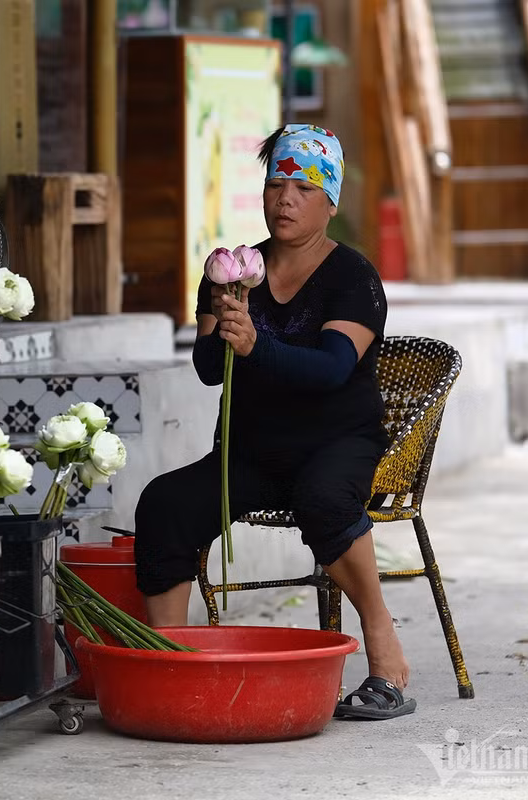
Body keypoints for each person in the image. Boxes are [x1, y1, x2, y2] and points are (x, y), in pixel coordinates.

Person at [133, 123, 415, 720]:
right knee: (164, 504)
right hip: (253, 452)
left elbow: (332, 369)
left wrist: (256, 346)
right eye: (275, 184)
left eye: (304, 188)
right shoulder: (231, 270)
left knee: (323, 497)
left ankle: (382, 640)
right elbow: (209, 370)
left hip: (337, 445)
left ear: (330, 202)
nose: (285, 199)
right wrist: (221, 323)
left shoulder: (353, 276)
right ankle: (168, 661)